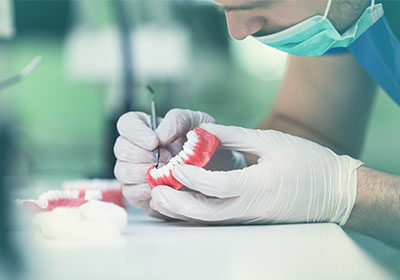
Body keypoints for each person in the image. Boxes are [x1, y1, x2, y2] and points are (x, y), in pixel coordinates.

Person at [113, 0, 400, 248]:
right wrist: (230, 169)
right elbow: (314, 129)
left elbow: (332, 182)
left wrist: (350, 192)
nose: (236, 32)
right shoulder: (339, 14)